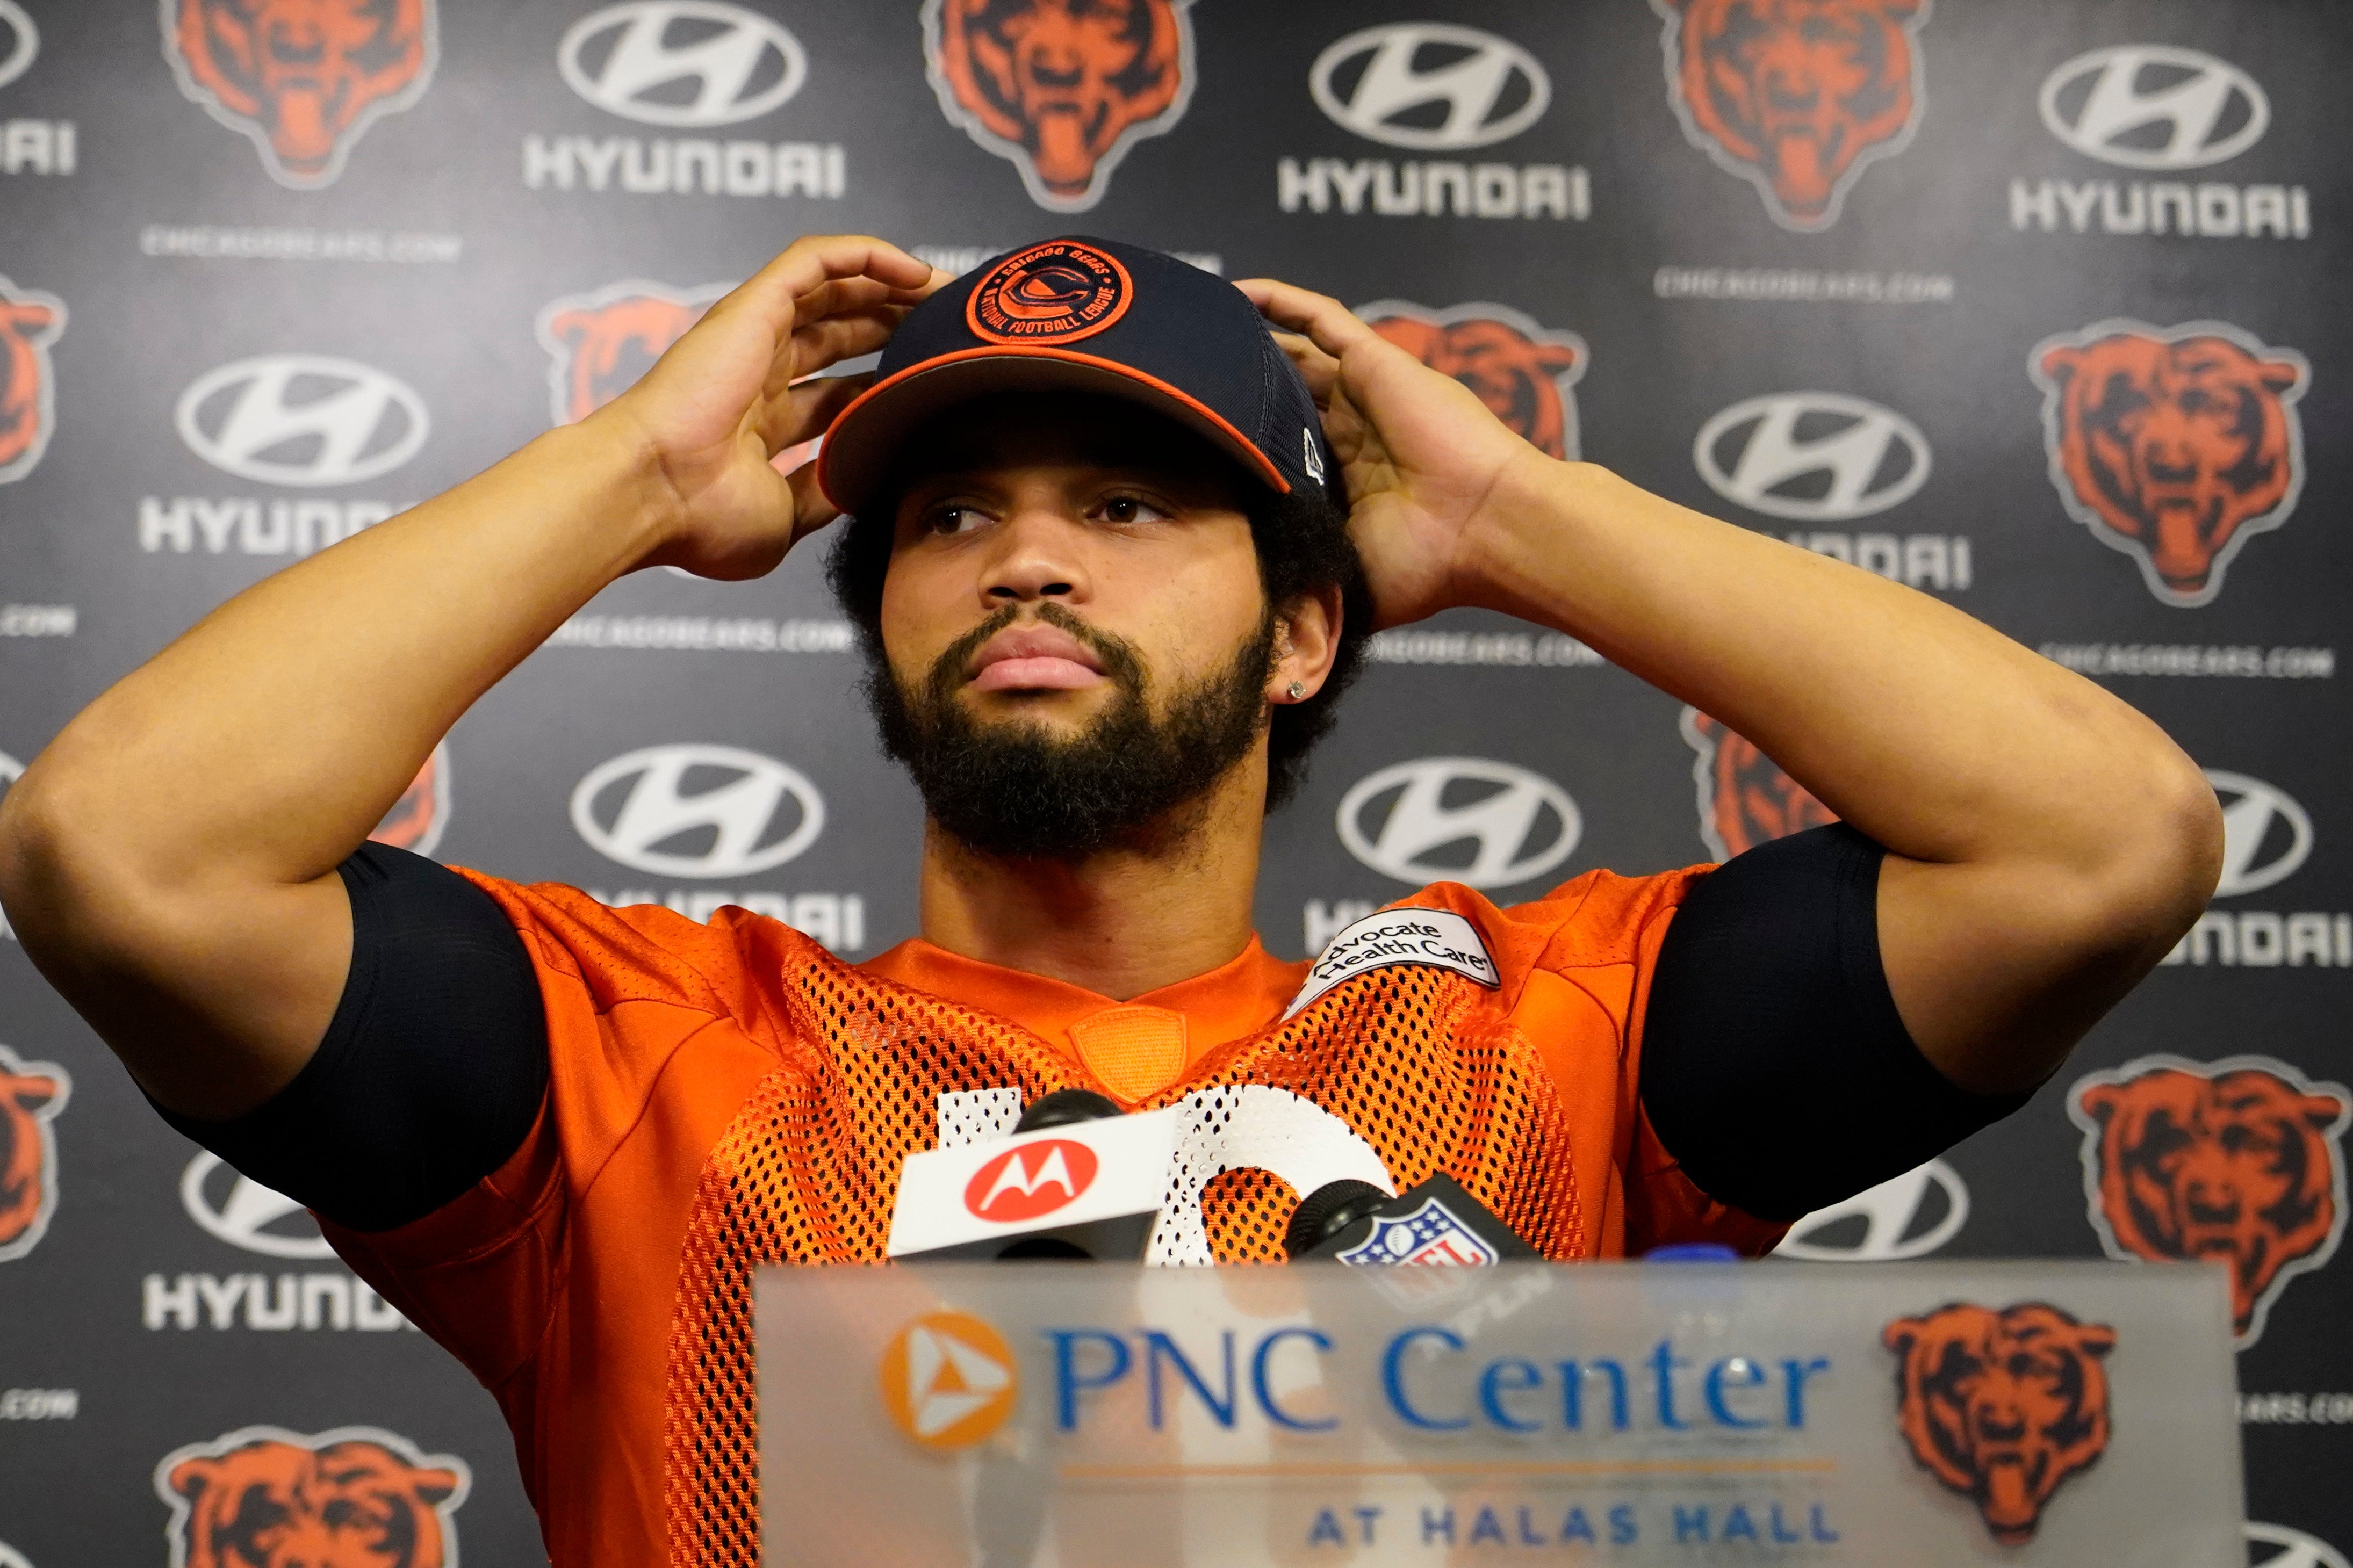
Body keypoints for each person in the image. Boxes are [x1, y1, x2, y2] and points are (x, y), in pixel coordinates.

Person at [0, 234, 2219, 1566]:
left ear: (1304, 632)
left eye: (1134, 502)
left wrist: (1523, 514)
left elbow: (2098, 840)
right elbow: (131, 850)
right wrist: (640, 476)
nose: (1030, 554)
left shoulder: (1549, 1036)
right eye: (954, 513)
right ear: (885, 627)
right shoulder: (651, 1057)